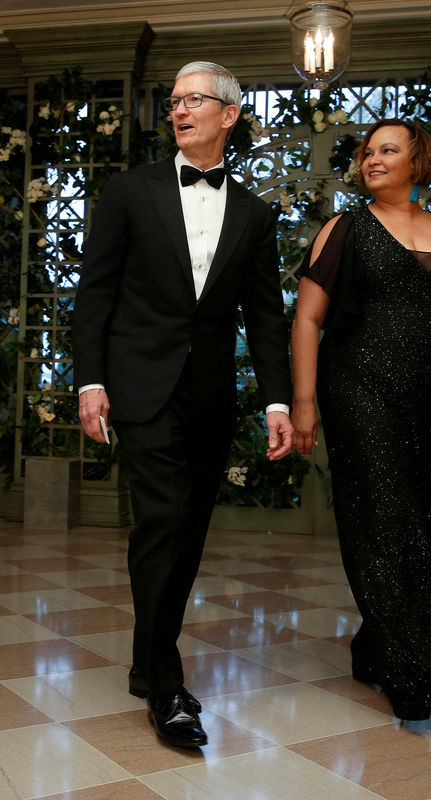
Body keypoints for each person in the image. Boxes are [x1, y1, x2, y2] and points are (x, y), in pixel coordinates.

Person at [72, 61, 292, 748]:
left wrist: (277, 400)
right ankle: (166, 687)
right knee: (161, 521)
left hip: (208, 396)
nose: (178, 110)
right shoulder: (128, 191)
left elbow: (262, 318)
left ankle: (145, 652)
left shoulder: (255, 215)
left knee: (186, 531)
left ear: (228, 114)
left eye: (193, 100)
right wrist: (90, 380)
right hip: (139, 386)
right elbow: (95, 292)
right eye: (173, 101)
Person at [291, 118, 431, 721]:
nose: (372, 159)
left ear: (422, 161)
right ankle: (417, 670)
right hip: (357, 389)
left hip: (428, 397)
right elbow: (307, 319)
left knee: (413, 517)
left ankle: (374, 643)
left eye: (388, 149)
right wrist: (305, 403)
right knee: (387, 518)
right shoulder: (346, 228)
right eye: (367, 152)